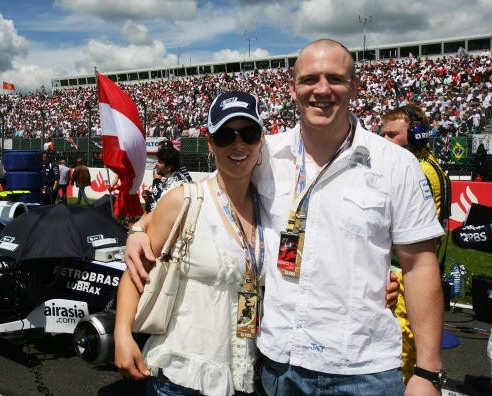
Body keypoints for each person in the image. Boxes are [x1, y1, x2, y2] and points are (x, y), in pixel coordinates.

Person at [124, 39, 443, 395]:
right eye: (310, 79)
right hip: (279, 366)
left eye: (335, 78)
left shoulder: (395, 164)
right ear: (293, 88)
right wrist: (138, 229)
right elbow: (196, 200)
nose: (322, 89)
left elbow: (420, 266)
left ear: (354, 85)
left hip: (361, 369)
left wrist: (428, 371)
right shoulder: (266, 154)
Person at [115, 91, 268, 395]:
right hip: (182, 377)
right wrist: (122, 334)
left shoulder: (270, 205)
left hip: (245, 377)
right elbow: (136, 272)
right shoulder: (185, 199)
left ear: (261, 139)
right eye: (225, 136)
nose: (238, 144)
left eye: (248, 134)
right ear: (210, 144)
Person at [381, 104, 451, 383]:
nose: (384, 141)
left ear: (417, 135)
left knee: (404, 352)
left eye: (392, 134)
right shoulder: (431, 164)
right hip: (426, 265)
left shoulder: (414, 169)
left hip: (407, 273)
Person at [144, 145, 190, 212]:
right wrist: (149, 197)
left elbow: (161, 202)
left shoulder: (178, 184)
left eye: (159, 162)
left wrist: (156, 181)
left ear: (169, 167)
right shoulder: (167, 176)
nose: (156, 164)